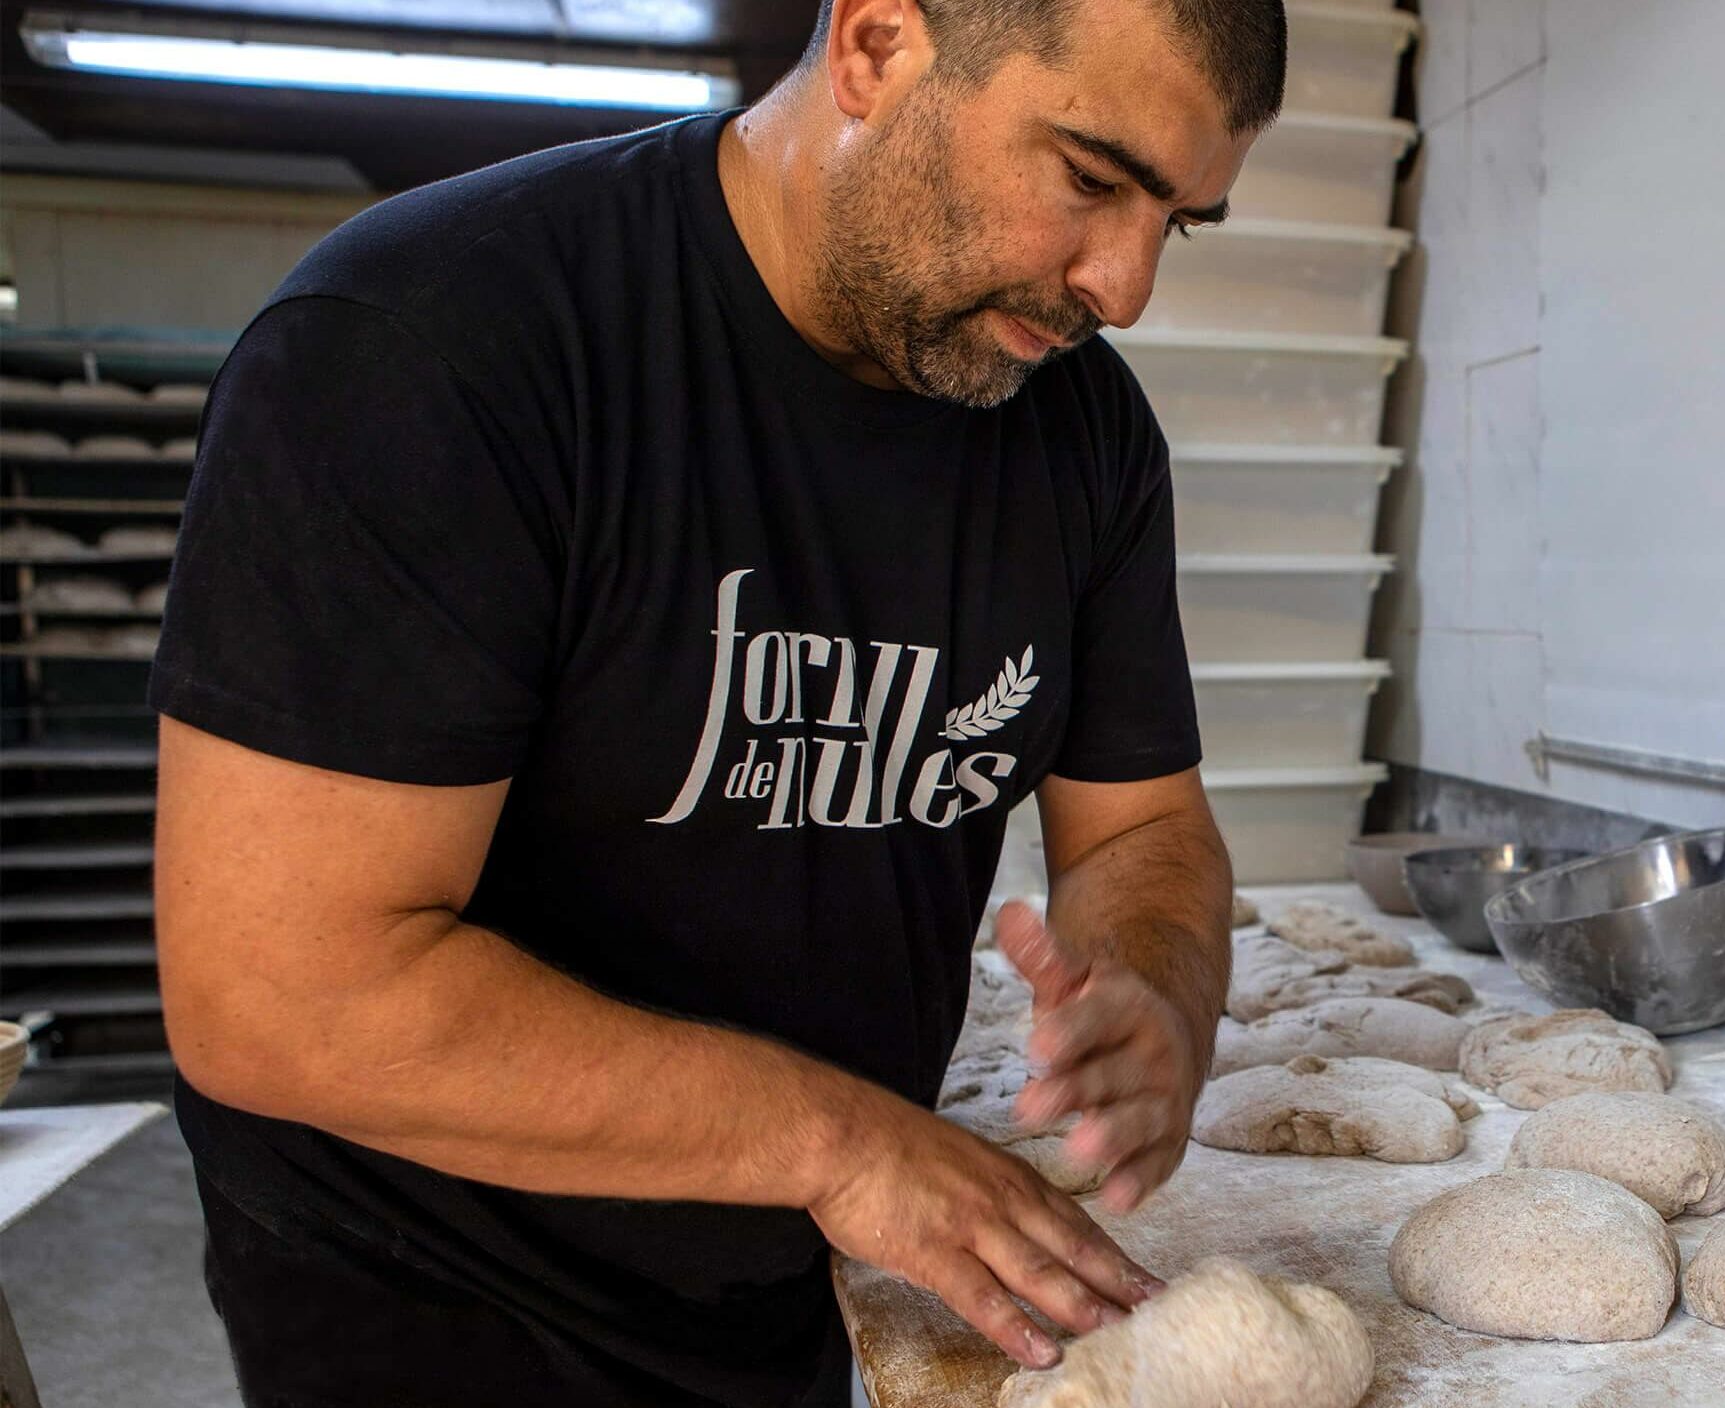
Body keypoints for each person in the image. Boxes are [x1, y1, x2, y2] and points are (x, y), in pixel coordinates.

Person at [147, 0, 1286, 1402]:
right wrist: (844, 1143)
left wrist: (1157, 995)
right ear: (877, 45)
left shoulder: (1083, 438)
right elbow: (281, 990)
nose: (1122, 287)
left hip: (792, 1284)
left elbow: (1141, 830)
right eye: (1092, 179)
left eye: (1178, 222)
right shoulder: (433, 342)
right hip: (439, 1301)